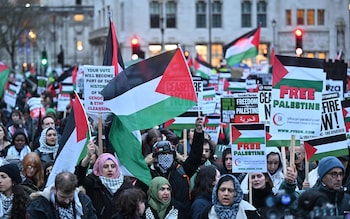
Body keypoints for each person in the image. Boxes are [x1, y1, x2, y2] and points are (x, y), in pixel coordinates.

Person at [147, 117, 204, 218]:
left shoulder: (182, 170)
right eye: (162, 155)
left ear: (174, 155)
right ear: (155, 157)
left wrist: (198, 132)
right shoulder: (148, 173)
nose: (166, 157)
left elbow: (196, 156)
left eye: (169, 154)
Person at [74, 141, 133, 219]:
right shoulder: (93, 183)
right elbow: (78, 178)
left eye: (113, 166)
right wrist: (88, 156)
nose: (110, 169)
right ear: (100, 168)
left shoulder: (127, 185)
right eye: (105, 166)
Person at [26, 171, 97, 218]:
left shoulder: (84, 202)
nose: (67, 201)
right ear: (55, 189)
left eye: (70, 197)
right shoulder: (38, 207)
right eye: (63, 197)